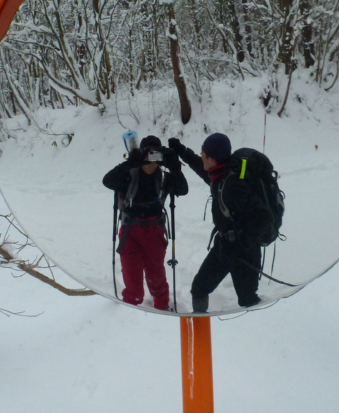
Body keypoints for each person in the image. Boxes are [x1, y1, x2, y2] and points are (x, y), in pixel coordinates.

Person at [168, 133, 269, 313]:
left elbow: (263, 217)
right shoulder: (219, 175)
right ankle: (200, 331)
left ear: (213, 159)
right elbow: (200, 166)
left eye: (203, 154)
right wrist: (181, 151)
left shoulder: (233, 185)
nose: (201, 157)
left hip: (244, 253)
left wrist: (242, 242)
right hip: (223, 247)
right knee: (199, 288)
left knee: (248, 300)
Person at [103, 135, 188, 310]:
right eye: (147, 153)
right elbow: (107, 181)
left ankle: (162, 308)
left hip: (154, 232)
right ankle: (129, 314)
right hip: (130, 232)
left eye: (155, 154)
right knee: (133, 285)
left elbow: (183, 189)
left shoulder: (165, 177)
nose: (151, 158)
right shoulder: (129, 174)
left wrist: (175, 167)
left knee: (157, 276)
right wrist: (130, 163)